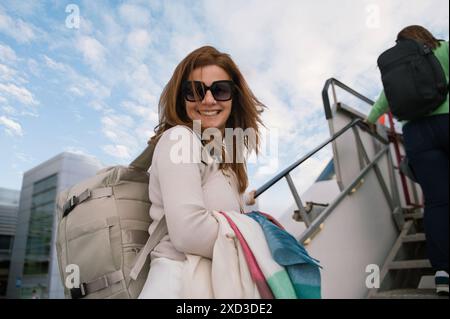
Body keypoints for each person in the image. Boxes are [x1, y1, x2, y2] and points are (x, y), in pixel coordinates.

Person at [138, 46, 264, 298]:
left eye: (220, 90)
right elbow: (189, 232)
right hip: (179, 284)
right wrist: (263, 243)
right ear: (181, 98)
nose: (208, 100)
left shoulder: (224, 159)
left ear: (233, 97)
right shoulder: (179, 139)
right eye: (195, 91)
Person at [366, 25, 449, 296]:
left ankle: (443, 272)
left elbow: (382, 103)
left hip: (416, 134)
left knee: (437, 202)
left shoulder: (396, 67)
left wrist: (368, 121)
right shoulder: (442, 48)